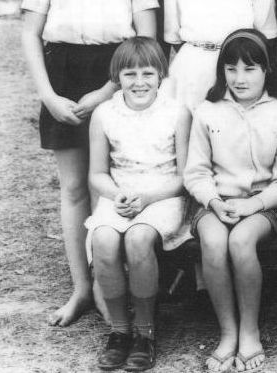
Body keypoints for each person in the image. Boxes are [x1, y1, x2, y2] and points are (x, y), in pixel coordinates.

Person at [21, 0, 158, 327]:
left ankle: (110, 285)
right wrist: (48, 95)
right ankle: (81, 287)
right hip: (63, 74)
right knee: (75, 187)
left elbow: (146, 39)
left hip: (117, 73)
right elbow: (30, 33)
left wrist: (108, 89)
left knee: (111, 184)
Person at [184, 29, 277, 373]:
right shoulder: (207, 111)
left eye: (250, 68)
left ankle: (249, 330)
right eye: (231, 69)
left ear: (267, 70)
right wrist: (214, 202)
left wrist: (253, 205)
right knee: (215, 241)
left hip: (263, 206)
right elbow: (196, 173)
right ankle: (228, 331)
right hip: (214, 203)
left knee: (241, 240)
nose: (240, 78)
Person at [86, 37, 191, 371]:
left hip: (162, 195)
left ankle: (145, 332)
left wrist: (147, 199)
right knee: (103, 239)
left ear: (161, 75)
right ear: (117, 76)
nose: (139, 82)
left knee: (138, 238)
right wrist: (116, 194)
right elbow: (97, 174)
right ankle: (119, 330)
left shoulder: (177, 112)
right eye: (129, 74)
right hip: (120, 194)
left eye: (148, 73)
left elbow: (184, 177)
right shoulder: (104, 113)